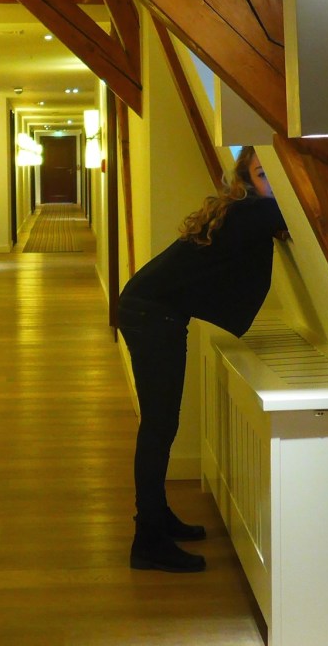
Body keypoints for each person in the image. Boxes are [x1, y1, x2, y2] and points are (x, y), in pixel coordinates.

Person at [117, 146, 288, 573]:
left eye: (276, 175)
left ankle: (157, 517)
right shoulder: (256, 212)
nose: (272, 184)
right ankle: (148, 539)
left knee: (161, 425)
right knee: (159, 426)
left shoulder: (243, 210)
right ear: (248, 180)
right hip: (150, 314)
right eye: (264, 174)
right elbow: (298, 213)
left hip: (149, 309)